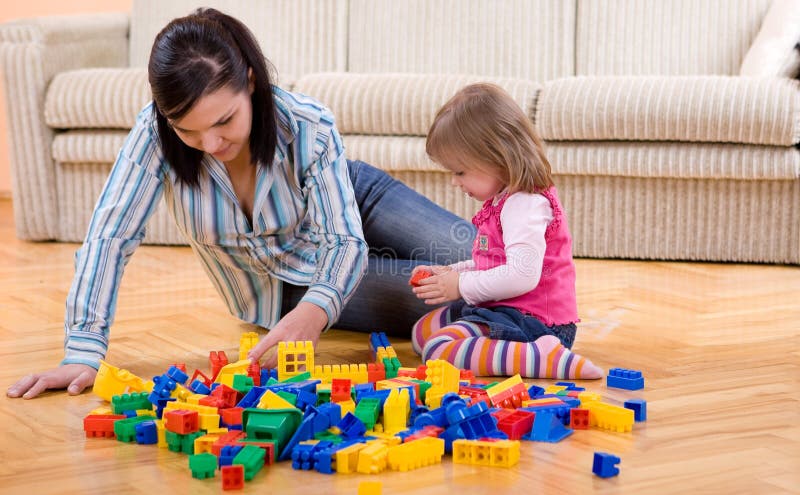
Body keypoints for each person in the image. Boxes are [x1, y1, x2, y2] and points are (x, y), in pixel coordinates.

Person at [6, 8, 474, 399]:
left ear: (249, 82)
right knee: (465, 295)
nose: (209, 142)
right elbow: (110, 238)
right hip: (286, 284)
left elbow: (343, 240)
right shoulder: (153, 136)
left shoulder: (305, 124)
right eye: (187, 129)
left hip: (356, 199)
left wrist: (318, 314)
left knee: (487, 257)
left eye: (224, 120)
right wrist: (83, 350)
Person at [410, 83, 603, 379]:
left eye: (460, 171)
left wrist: (460, 285)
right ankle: (506, 352)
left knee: (437, 350)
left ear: (498, 156)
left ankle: (543, 356)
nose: (454, 182)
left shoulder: (525, 204)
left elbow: (521, 275)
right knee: (421, 333)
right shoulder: (504, 199)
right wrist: (451, 273)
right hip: (506, 309)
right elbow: (495, 263)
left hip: (536, 322)